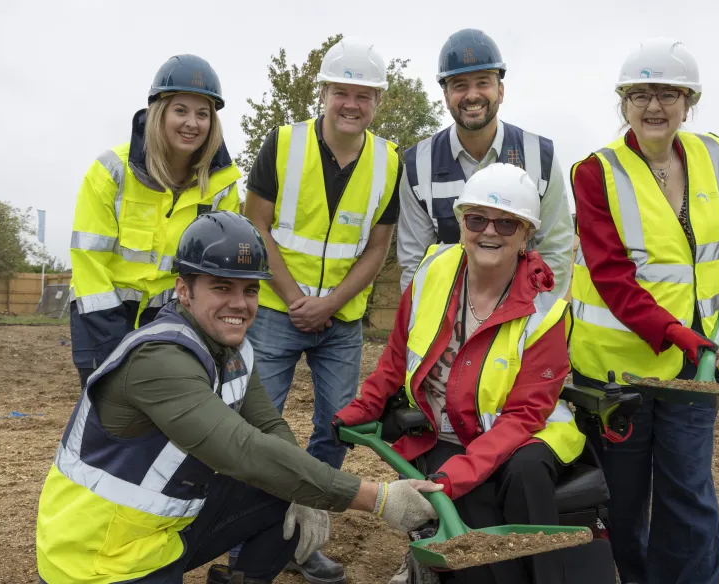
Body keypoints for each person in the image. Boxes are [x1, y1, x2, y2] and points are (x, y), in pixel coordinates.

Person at [35, 211, 441, 584]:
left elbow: (268, 427)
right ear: (184, 290)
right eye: (221, 287)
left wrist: (306, 492)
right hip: (98, 558)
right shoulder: (159, 359)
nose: (240, 304)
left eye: (250, 290)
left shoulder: (230, 349)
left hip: (160, 535)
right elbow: (242, 449)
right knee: (276, 474)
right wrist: (378, 497)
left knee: (285, 486)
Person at [335, 164, 589, 584]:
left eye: (507, 223)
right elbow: (398, 352)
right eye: (477, 218)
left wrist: (457, 475)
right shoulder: (434, 270)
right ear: (461, 223)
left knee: (524, 477)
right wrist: (364, 407)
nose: (490, 231)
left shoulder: (546, 312)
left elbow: (525, 415)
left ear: (526, 235)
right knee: (472, 540)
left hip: (525, 433)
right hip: (447, 431)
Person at [568, 38, 719, 584]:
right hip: (618, 370)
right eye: (640, 93)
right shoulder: (596, 172)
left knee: (688, 493)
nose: (653, 106)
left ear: (688, 101)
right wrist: (674, 331)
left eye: (667, 93)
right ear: (623, 102)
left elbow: (709, 241)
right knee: (624, 505)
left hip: (695, 366)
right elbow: (612, 275)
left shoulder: (711, 153)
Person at [242, 37, 401, 583]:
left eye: (364, 95)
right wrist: (293, 300)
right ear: (325, 93)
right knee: (256, 430)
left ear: (378, 100)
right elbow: (255, 225)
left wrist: (331, 303)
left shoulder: (388, 161)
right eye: (342, 92)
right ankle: (249, 544)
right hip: (273, 313)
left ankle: (301, 534)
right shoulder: (283, 144)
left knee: (337, 430)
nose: (352, 104)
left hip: (341, 322)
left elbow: (377, 247)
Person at [69, 54, 242, 389]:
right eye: (181, 110)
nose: (192, 123)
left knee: (168, 431)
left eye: (202, 114)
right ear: (159, 112)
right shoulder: (111, 172)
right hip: (101, 322)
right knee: (111, 429)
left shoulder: (222, 188)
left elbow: (218, 272)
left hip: (177, 326)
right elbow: (89, 262)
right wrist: (117, 345)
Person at [397, 29, 574, 299]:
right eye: (459, 85)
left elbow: (555, 252)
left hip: (521, 324)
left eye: (483, 82)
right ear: (445, 96)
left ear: (500, 91)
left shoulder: (540, 156)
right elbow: (414, 264)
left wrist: (534, 324)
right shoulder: (417, 165)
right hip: (446, 327)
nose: (472, 95)